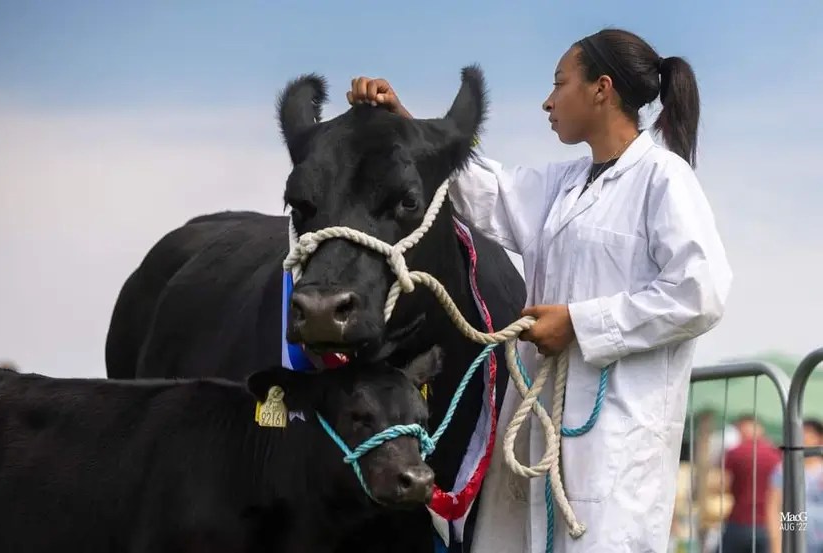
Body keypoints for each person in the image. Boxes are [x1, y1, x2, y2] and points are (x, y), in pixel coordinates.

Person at [347, 27, 733, 553]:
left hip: (614, 442)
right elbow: (485, 188)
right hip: (539, 426)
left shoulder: (663, 179)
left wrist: (579, 323)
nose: (548, 102)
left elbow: (701, 292)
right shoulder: (563, 184)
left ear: (602, 89)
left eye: (559, 84)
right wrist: (405, 124)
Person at [720, 415, 782, 553]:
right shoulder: (776, 454)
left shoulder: (734, 453)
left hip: (739, 520)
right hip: (768, 523)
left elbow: (724, 484)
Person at [767, 418, 823, 553]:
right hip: (794, 534)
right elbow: (774, 506)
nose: (802, 438)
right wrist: (776, 544)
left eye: (807, 434)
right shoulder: (784, 469)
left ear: (819, 438)